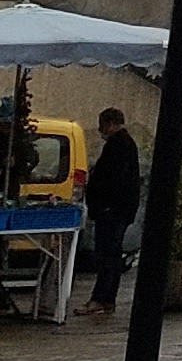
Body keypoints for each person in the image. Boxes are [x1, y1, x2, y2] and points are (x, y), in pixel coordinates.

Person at [81, 108, 144, 315]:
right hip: (117, 210)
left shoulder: (118, 146)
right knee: (112, 255)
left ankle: (100, 298)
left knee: (106, 255)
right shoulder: (125, 144)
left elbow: (113, 180)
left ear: (109, 124)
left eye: (102, 125)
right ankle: (108, 299)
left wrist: (104, 205)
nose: (100, 130)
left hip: (112, 211)